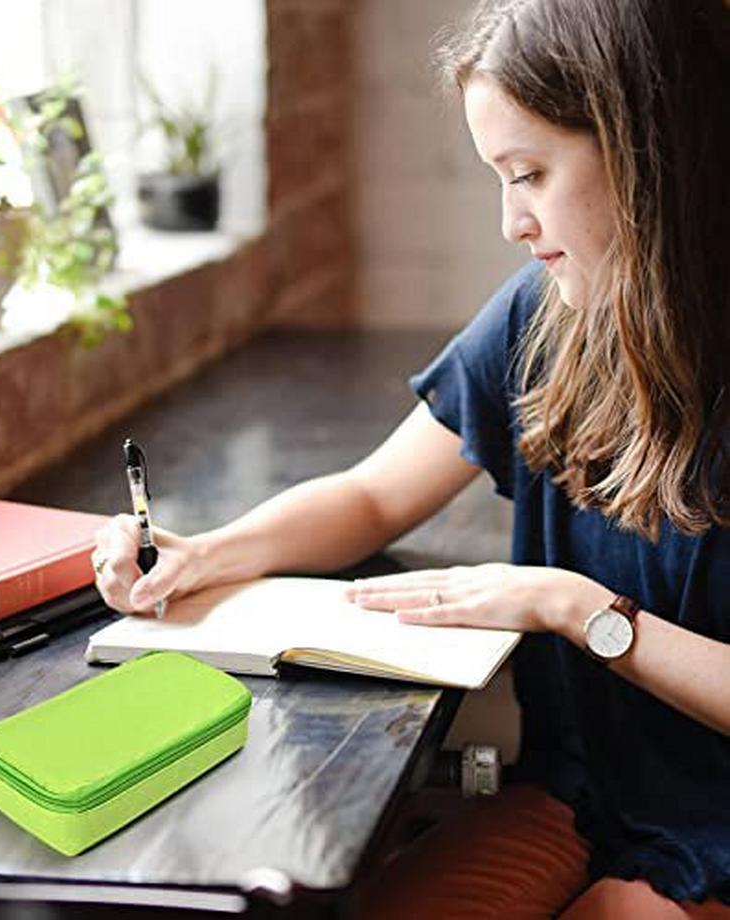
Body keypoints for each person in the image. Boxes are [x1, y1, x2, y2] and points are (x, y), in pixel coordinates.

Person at [93, 0, 729, 914]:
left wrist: (578, 606)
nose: (512, 221)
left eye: (531, 174)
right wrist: (204, 555)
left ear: (644, 150)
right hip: (574, 797)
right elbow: (372, 496)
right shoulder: (539, 318)